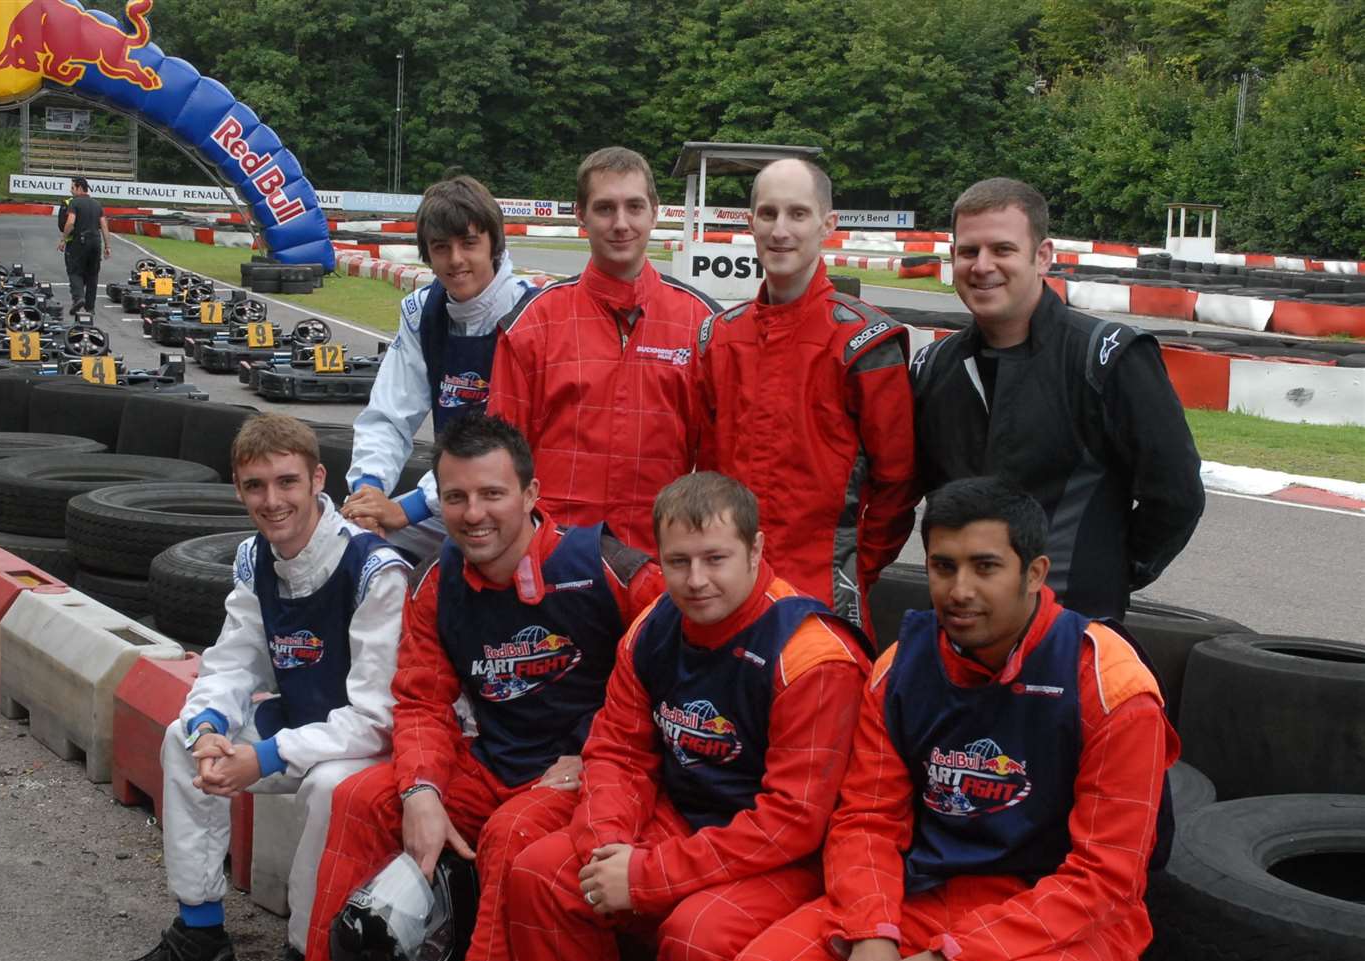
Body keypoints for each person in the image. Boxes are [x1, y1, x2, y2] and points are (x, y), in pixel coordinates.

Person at [250, 412, 665, 961]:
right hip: (493, 762)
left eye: (492, 494)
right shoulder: (439, 581)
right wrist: (419, 789)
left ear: (531, 494)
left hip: (586, 776)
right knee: (361, 797)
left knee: (511, 834)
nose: (474, 514)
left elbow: (675, 661)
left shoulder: (607, 567)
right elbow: (419, 700)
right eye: (456, 497)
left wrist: (596, 749)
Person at [725, 477, 1178, 961]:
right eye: (943, 566)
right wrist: (871, 931)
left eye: (985, 566)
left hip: (1067, 914)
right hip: (929, 893)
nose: (960, 591)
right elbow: (865, 818)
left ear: (1035, 573)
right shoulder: (900, 668)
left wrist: (955, 959)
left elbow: (1106, 879)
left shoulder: (1112, 685)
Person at [506, 471, 872, 961]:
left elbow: (795, 821)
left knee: (696, 934)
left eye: (716, 559)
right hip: (685, 817)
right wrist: (607, 846)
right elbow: (618, 752)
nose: (696, 580)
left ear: (756, 552)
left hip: (790, 856)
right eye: (678, 561)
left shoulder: (812, 656)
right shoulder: (653, 626)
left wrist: (647, 875)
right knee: (544, 873)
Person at [96, 413, 412, 961]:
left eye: (287, 482)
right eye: (255, 487)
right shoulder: (254, 558)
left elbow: (378, 718)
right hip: (301, 720)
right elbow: (233, 660)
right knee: (181, 744)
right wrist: (211, 727)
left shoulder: (377, 570)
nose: (273, 502)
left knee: (327, 786)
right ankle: (200, 936)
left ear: (318, 479)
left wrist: (262, 756)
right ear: (238, 491)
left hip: (372, 744)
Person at [908, 177, 1204, 618]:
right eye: (969, 251)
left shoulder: (1109, 356)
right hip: (960, 634)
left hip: (1074, 632)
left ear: (1041, 256)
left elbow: (1177, 496)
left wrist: (1111, 573)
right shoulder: (932, 367)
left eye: (1002, 249)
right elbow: (913, 494)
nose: (982, 265)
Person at [694, 158, 917, 637]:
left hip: (824, 592)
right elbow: (708, 473)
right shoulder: (719, 337)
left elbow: (898, 484)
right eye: (768, 214)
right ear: (750, 222)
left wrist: (853, 567)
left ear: (827, 225)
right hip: (729, 588)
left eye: (797, 214)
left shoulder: (867, 340)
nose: (780, 230)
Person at [488, 146, 719, 553]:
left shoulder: (702, 325)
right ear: (581, 215)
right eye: (605, 208)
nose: (621, 223)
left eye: (634, 206)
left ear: (655, 211)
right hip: (554, 560)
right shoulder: (533, 323)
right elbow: (498, 463)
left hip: (663, 563)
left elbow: (721, 470)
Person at [342, 175, 535, 559]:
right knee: (347, 542)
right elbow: (388, 414)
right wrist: (368, 495)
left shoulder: (533, 315)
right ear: (427, 255)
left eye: (469, 243)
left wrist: (407, 508)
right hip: (448, 501)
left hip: (520, 503)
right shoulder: (421, 313)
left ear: (494, 245)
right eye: (441, 248)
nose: (456, 260)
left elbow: (511, 441)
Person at [58, 176, 112, 316]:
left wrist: (63, 239)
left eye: (72, 188)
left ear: (80, 188)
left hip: (79, 241)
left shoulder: (74, 203)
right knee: (92, 275)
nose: (71, 191)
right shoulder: (97, 204)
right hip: (96, 242)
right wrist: (107, 246)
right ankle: (90, 308)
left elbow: (70, 223)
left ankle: (78, 298)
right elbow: (104, 226)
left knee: (75, 271)